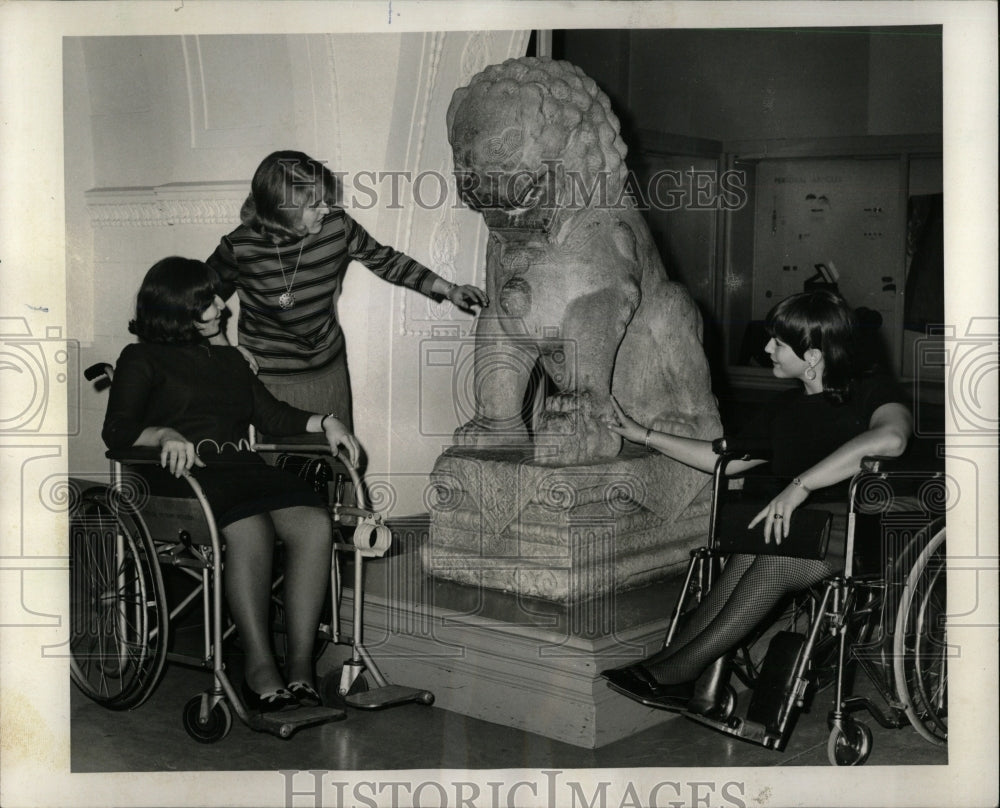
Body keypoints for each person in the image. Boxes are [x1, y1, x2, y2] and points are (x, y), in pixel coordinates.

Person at [600, 289, 912, 708]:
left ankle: (677, 670)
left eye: (779, 343)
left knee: (771, 559)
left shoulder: (874, 392)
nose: (767, 349)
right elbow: (722, 460)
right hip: (801, 527)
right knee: (747, 553)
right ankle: (671, 664)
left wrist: (800, 486)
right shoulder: (785, 408)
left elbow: (891, 439)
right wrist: (644, 435)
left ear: (814, 355)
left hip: (861, 528)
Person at [103, 256, 362, 714]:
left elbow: (273, 416)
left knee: (314, 522)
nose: (222, 306)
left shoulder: (228, 359)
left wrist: (327, 422)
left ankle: (299, 669)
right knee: (251, 529)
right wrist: (163, 433)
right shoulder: (139, 358)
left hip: (242, 469)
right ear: (176, 307)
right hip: (182, 479)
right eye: (207, 301)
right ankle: (259, 669)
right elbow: (118, 433)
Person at [206, 149, 489, 424]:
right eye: (314, 204)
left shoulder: (336, 227)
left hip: (327, 371)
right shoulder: (239, 246)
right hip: (269, 379)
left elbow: (386, 260)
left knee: (336, 465)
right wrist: (224, 349)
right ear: (285, 209)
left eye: (324, 200)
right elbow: (196, 300)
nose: (326, 209)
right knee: (285, 468)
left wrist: (449, 289)